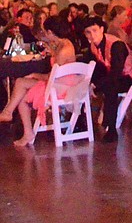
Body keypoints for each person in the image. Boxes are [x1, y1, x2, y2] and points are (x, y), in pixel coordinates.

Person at [0, 16, 78, 146]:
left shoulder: (64, 49)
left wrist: (35, 75)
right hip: (58, 82)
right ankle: (23, 128)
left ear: (51, 32)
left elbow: (51, 76)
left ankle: (8, 113)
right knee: (22, 95)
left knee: (20, 82)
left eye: (46, 32)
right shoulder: (64, 44)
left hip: (60, 86)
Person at [80, 16, 132, 143]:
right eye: (88, 32)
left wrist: (97, 85)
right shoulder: (94, 46)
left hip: (128, 77)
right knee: (87, 77)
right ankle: (81, 120)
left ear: (101, 29)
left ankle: (111, 130)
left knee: (110, 86)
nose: (92, 35)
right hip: (111, 75)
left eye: (94, 30)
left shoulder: (116, 45)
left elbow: (117, 72)